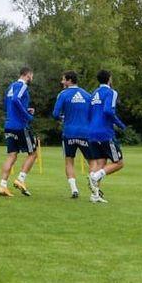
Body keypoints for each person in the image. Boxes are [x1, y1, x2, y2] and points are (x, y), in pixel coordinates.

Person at [86, 69, 125, 203]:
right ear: (109, 79)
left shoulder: (93, 94)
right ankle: (95, 176)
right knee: (119, 163)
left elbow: (89, 114)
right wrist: (120, 124)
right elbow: (108, 110)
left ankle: (95, 195)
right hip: (105, 133)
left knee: (101, 162)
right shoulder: (111, 92)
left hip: (91, 132)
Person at [0, 67, 39, 197]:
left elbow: (7, 104)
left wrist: (26, 109)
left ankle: (2, 186)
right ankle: (20, 179)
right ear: (28, 75)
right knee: (32, 153)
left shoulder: (10, 86)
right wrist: (26, 116)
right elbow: (16, 100)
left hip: (9, 124)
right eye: (32, 75)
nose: (32, 78)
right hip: (20, 125)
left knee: (11, 155)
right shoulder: (22, 85)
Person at [52, 70, 92, 199]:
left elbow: (55, 114)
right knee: (92, 162)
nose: (62, 82)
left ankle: (74, 190)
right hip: (85, 133)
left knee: (69, 161)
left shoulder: (63, 94)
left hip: (69, 133)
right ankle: (95, 189)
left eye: (63, 79)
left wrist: (63, 117)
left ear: (69, 81)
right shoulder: (87, 95)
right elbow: (92, 113)